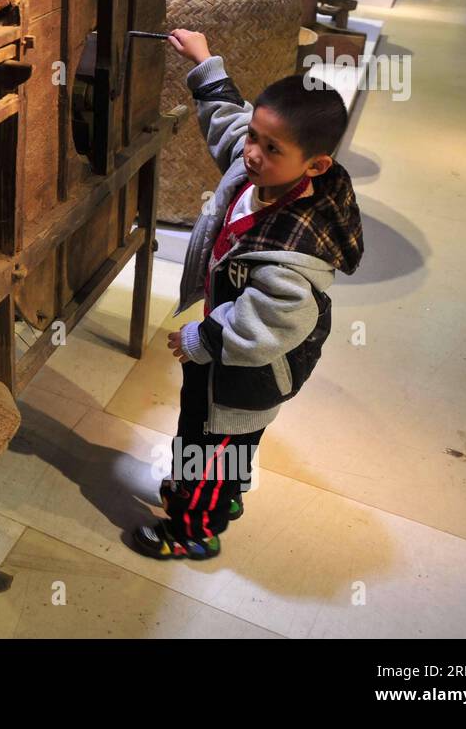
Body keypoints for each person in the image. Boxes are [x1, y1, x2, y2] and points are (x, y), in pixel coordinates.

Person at [133, 28, 363, 561]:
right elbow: (228, 120)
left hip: (248, 369)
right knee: (226, 444)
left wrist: (201, 337)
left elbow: (268, 325)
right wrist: (205, 61)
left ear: (316, 166)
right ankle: (223, 494)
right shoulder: (263, 171)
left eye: (269, 147)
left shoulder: (295, 253)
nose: (251, 152)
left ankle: (195, 527)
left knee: (208, 442)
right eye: (256, 136)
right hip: (232, 356)